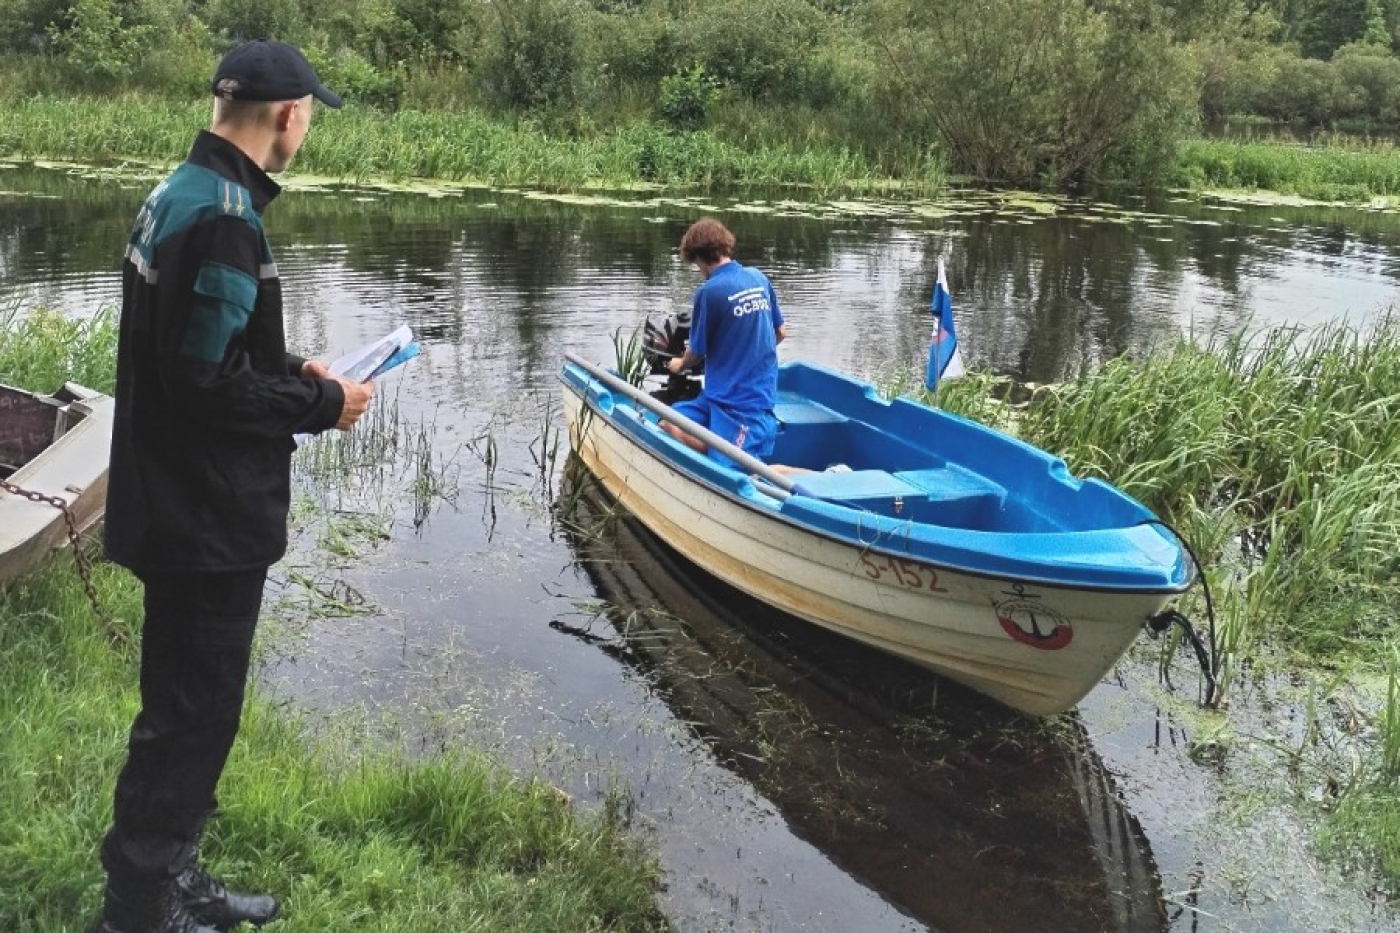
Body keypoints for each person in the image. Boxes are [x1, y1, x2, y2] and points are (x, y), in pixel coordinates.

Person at [98, 39, 373, 933]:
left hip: (176, 499)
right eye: (309, 116)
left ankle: (168, 870)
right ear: (289, 115)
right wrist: (322, 402)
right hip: (203, 515)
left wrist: (290, 366)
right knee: (191, 714)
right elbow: (203, 384)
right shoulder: (225, 218)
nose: (306, 129)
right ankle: (142, 903)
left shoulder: (182, 192)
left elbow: (195, 346)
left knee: (186, 705)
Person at [662, 218, 786, 464]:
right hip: (716, 397)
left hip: (744, 407)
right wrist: (748, 352)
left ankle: (829, 477)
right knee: (667, 423)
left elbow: (696, 353)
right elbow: (780, 333)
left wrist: (678, 365)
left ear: (697, 257)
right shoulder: (758, 277)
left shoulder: (709, 292)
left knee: (740, 468)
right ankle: (716, 449)